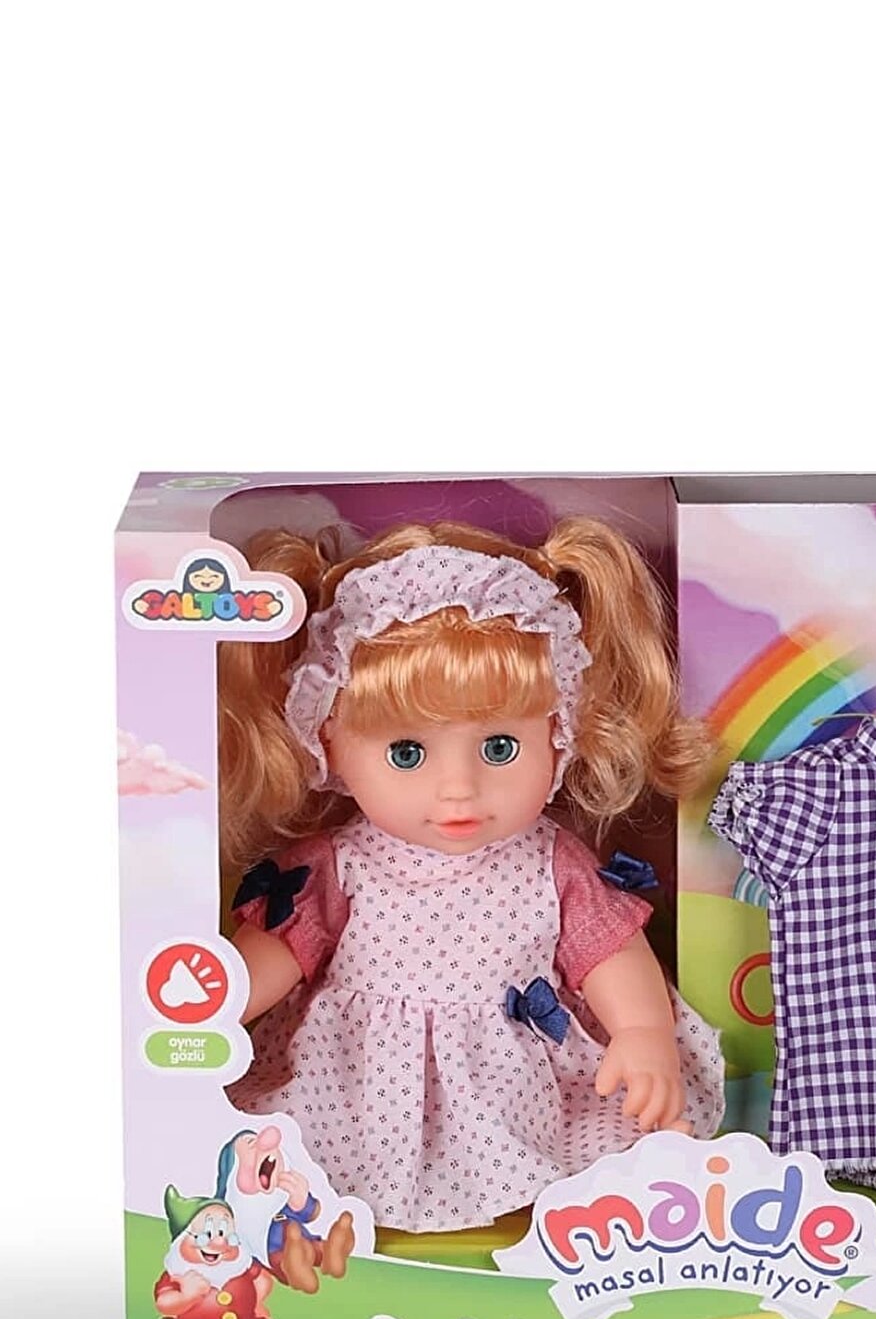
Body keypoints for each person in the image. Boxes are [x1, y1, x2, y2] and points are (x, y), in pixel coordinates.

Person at [218, 519, 724, 1233]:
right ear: (327, 738)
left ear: (560, 733)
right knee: (303, 1166)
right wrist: (214, 1011)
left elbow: (607, 950)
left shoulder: (551, 861)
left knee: (588, 1166)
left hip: (512, 1082)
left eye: (499, 747)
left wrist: (642, 1033)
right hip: (359, 1085)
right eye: (406, 753)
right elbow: (278, 952)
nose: (458, 788)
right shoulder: (336, 865)